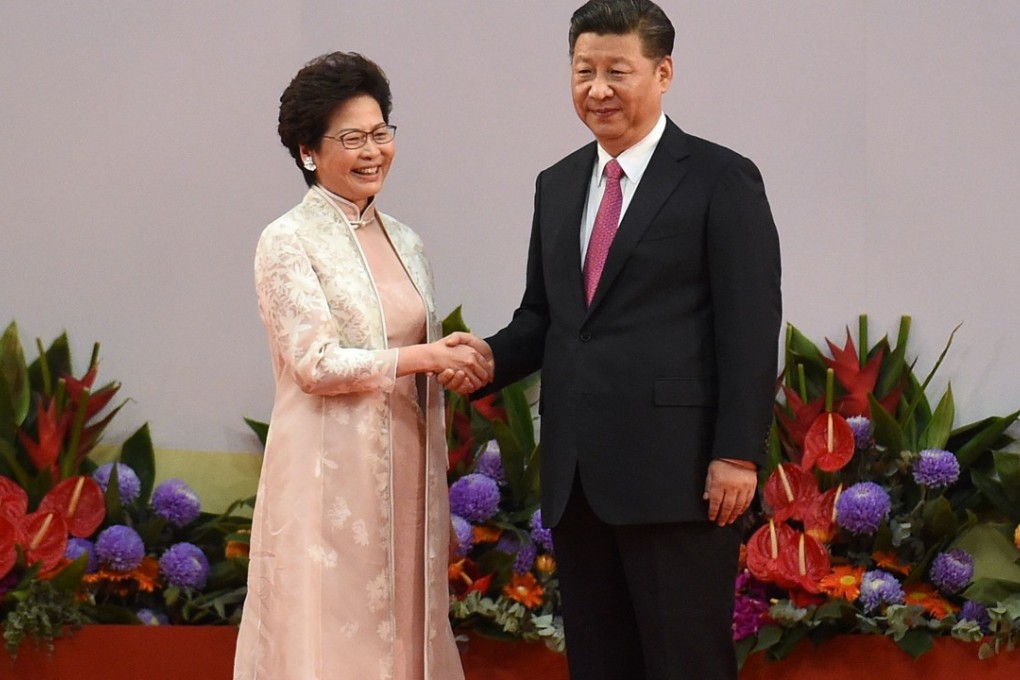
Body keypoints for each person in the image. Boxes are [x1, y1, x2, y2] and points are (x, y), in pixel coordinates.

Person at [443, 2, 782, 679]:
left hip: (679, 478)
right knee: (599, 665)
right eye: (583, 71)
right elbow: (546, 318)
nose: (598, 89)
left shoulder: (721, 178)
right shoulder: (559, 183)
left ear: (663, 73)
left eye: (617, 71)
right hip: (579, 480)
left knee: (685, 662)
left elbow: (750, 325)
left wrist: (738, 455)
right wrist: (483, 359)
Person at [234, 51, 484, 680]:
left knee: (407, 636)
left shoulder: (407, 239)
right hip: (328, 480)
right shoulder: (287, 238)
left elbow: (412, 349)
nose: (373, 151)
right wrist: (424, 355)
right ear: (307, 152)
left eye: (380, 133)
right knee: (334, 644)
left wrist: (459, 359)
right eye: (352, 138)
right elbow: (314, 363)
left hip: (409, 472)